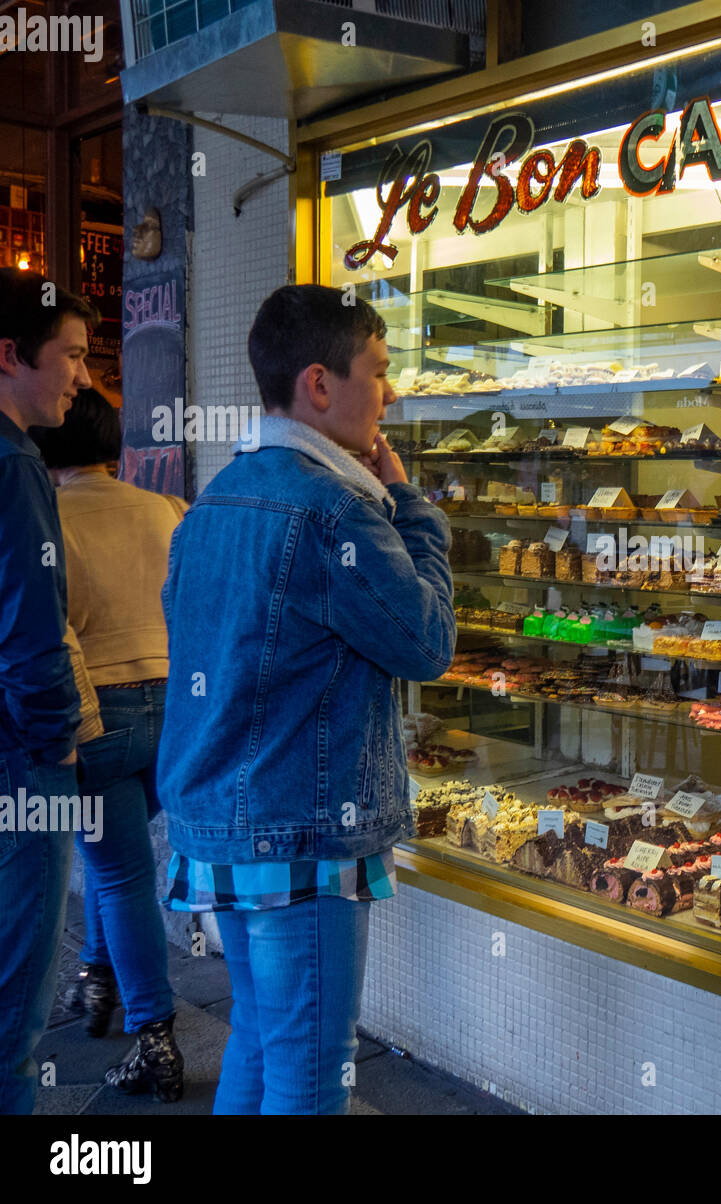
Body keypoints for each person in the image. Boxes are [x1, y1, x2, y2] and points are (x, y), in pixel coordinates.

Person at [158, 284, 455, 1114]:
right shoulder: (336, 510)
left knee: (257, 1035)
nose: (389, 394)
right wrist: (413, 511)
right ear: (320, 384)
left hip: (217, 817)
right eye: (380, 371)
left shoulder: (213, 500)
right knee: (312, 1070)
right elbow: (427, 641)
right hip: (300, 828)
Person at [31, 389, 188, 1100]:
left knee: (121, 874)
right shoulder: (164, 509)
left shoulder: (45, 518)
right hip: (179, 712)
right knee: (114, 862)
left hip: (103, 713)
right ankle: (98, 978)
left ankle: (154, 1035)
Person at [0, 268, 97, 1114]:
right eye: (69, 355)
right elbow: (31, 628)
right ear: (9, 355)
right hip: (20, 761)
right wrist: (55, 737)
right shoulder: (15, 465)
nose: (82, 375)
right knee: (14, 1014)